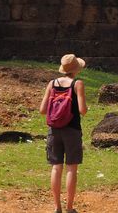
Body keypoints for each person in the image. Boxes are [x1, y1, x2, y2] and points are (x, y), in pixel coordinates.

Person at [39, 54, 88, 213]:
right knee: (71, 169)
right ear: (76, 69)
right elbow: (82, 110)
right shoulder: (77, 84)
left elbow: (42, 110)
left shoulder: (52, 83)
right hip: (72, 130)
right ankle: (69, 207)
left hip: (54, 130)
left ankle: (57, 207)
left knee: (55, 168)